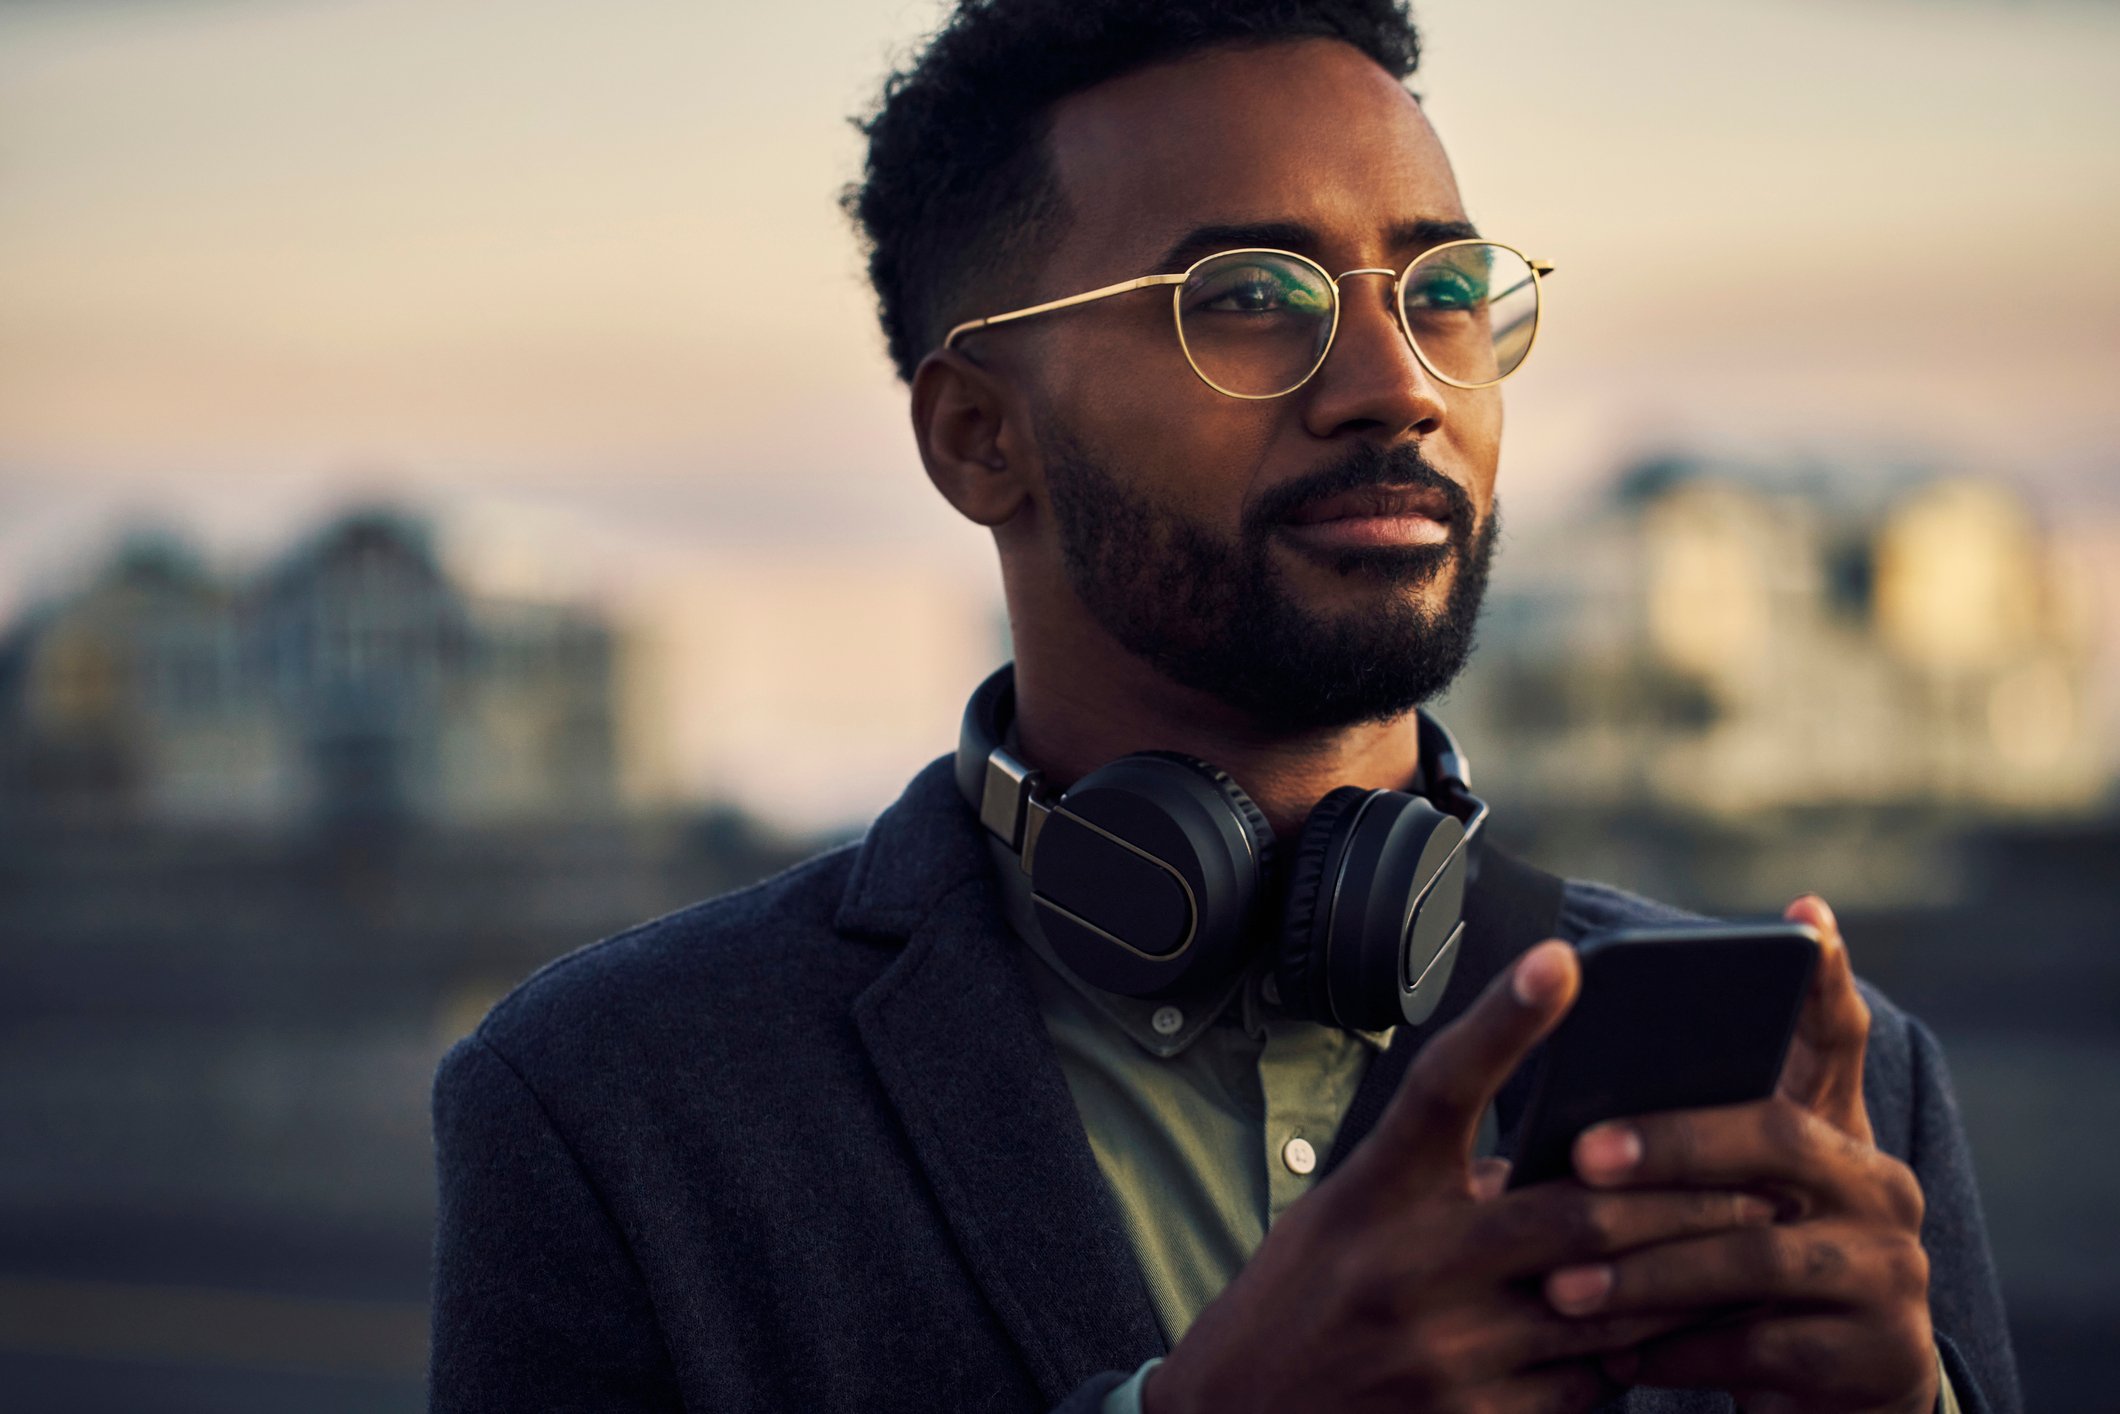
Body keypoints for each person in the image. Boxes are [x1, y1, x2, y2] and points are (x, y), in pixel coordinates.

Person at [427, 2, 2020, 1410]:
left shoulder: (1832, 1083)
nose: (1399, 384)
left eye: (1444, 289)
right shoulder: (610, 1099)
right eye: (1252, 296)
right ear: (981, 437)